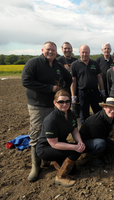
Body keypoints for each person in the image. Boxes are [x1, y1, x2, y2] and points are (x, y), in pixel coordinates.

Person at [22, 41, 72, 181]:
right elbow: (26, 81)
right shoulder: (34, 63)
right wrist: (49, 88)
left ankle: (48, 158)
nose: (50, 52)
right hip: (38, 104)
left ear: (56, 52)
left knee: (53, 131)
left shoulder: (57, 65)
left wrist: (62, 89)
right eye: (48, 50)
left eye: (53, 50)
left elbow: (68, 79)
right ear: (42, 50)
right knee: (37, 132)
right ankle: (36, 166)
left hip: (54, 105)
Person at [36, 90, 85, 187]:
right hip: (46, 148)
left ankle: (53, 161)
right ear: (55, 103)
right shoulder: (51, 119)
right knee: (76, 151)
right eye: (61, 102)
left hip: (60, 143)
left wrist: (79, 142)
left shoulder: (71, 114)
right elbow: (53, 144)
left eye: (67, 101)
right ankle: (60, 177)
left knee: (73, 171)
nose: (65, 104)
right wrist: (75, 147)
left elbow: (74, 130)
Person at [80, 97, 114, 167]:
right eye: (110, 107)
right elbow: (105, 143)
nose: (113, 111)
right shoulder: (96, 122)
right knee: (101, 144)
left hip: (101, 137)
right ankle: (93, 156)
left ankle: (105, 153)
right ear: (104, 107)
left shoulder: (113, 117)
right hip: (86, 141)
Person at [71, 44, 105, 124]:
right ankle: (85, 134)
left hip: (95, 92)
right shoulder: (75, 64)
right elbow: (73, 81)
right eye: (83, 52)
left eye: (86, 52)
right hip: (82, 93)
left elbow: (99, 77)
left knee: (98, 113)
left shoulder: (94, 63)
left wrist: (102, 90)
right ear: (79, 52)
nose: (85, 54)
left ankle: (99, 131)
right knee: (83, 115)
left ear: (89, 52)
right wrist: (73, 96)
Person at [56, 42, 80, 117]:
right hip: (64, 89)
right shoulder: (58, 61)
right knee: (64, 109)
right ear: (62, 49)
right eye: (65, 48)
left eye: (69, 48)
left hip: (76, 88)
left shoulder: (76, 60)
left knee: (77, 109)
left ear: (72, 49)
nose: (67, 50)